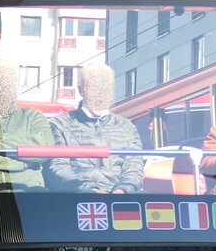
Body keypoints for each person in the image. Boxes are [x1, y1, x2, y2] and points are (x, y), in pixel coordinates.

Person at [47, 63, 145, 193]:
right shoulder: (59, 124)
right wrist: (90, 189)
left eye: (106, 87)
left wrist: (123, 190)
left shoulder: (127, 127)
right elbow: (58, 167)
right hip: (78, 194)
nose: (100, 92)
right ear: (81, 90)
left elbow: (134, 167)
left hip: (119, 195)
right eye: (94, 87)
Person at [0, 58, 53, 190]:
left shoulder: (32, 116)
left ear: (13, 84)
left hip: (29, 195)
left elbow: (44, 149)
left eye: (5, 80)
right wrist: (22, 163)